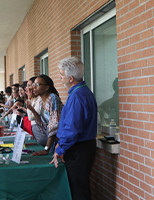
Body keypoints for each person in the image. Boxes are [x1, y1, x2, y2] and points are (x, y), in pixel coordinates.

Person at [50, 57, 97, 200]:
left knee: (78, 191)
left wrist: (60, 149)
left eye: (61, 74)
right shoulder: (82, 92)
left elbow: (71, 129)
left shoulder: (78, 96)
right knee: (79, 187)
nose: (59, 77)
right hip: (81, 147)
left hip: (78, 148)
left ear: (70, 78)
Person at [26, 74, 63, 154]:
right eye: (33, 85)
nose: (34, 87)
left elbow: (54, 125)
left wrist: (46, 149)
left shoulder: (52, 98)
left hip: (60, 141)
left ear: (47, 87)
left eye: (37, 85)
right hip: (52, 141)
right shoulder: (40, 101)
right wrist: (32, 110)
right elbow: (42, 123)